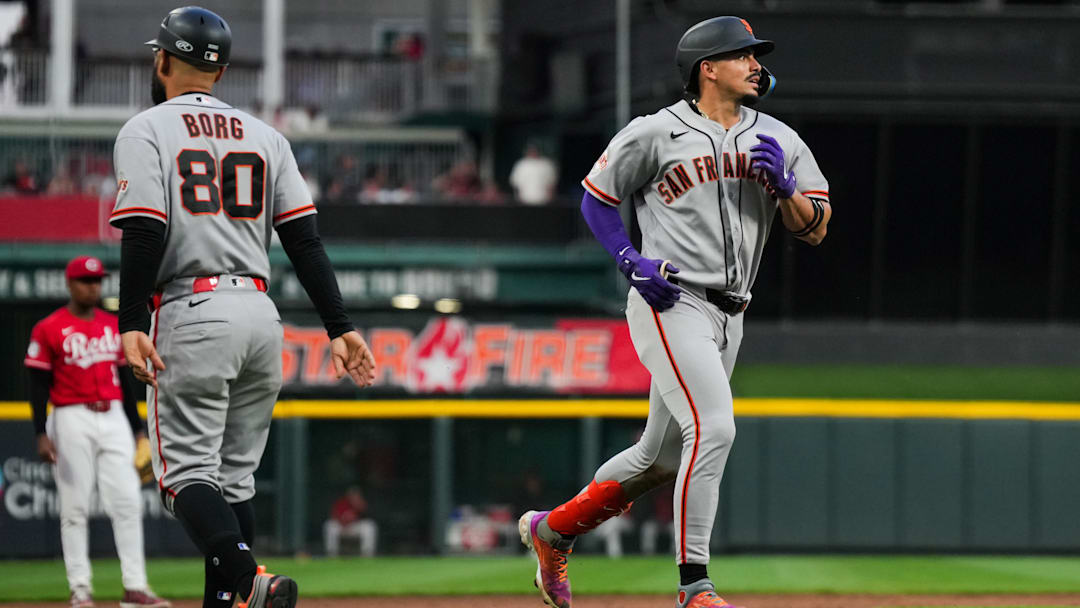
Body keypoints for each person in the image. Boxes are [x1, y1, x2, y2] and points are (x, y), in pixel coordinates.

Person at [518, 16, 831, 608]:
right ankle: (695, 587)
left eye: (756, 56)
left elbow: (816, 227)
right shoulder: (655, 132)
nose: (756, 64)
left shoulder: (779, 138)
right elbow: (597, 198)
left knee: (657, 459)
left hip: (731, 314)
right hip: (672, 300)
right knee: (713, 427)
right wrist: (629, 258)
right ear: (707, 69)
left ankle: (551, 531)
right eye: (743, 55)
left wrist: (787, 190)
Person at [109, 7, 377, 608]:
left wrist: (128, 323)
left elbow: (145, 231)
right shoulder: (266, 136)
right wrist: (341, 325)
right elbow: (303, 240)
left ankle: (248, 579)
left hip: (194, 309)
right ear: (221, 71)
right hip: (262, 317)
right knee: (232, 483)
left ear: (162, 60)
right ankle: (230, 599)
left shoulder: (146, 128)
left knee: (183, 478)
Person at [24, 256, 170, 608]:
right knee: (74, 507)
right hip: (70, 416)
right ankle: (80, 589)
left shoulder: (112, 325)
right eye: (86, 281)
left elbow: (124, 380)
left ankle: (135, 587)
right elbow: (37, 384)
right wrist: (41, 432)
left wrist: (137, 431)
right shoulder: (49, 327)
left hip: (114, 416)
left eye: (97, 280)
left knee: (128, 502)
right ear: (70, 284)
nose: (93, 286)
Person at [323, 487, 378, 557]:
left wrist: (359, 505)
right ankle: (331, 553)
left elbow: (367, 516)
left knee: (369, 526)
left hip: (354, 528)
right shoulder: (341, 503)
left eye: (355, 494)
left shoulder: (361, 503)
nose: (353, 496)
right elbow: (333, 516)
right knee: (329, 525)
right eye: (351, 494)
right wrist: (342, 523)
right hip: (341, 527)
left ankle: (367, 554)